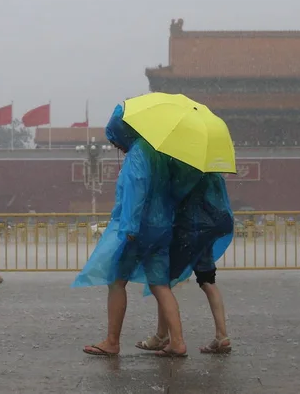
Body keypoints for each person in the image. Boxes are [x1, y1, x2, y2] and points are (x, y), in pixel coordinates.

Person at [72, 104, 187, 357]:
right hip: (161, 227)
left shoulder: (137, 154)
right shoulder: (160, 152)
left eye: (115, 139)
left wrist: (130, 226)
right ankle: (177, 341)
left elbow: (136, 188)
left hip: (139, 229)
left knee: (116, 281)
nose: (115, 146)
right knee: (160, 285)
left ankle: (112, 341)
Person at [136, 167, 235, 355]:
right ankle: (222, 336)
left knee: (163, 284)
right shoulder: (213, 173)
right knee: (207, 280)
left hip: (189, 230)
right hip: (209, 229)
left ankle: (162, 336)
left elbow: (172, 197)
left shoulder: (186, 170)